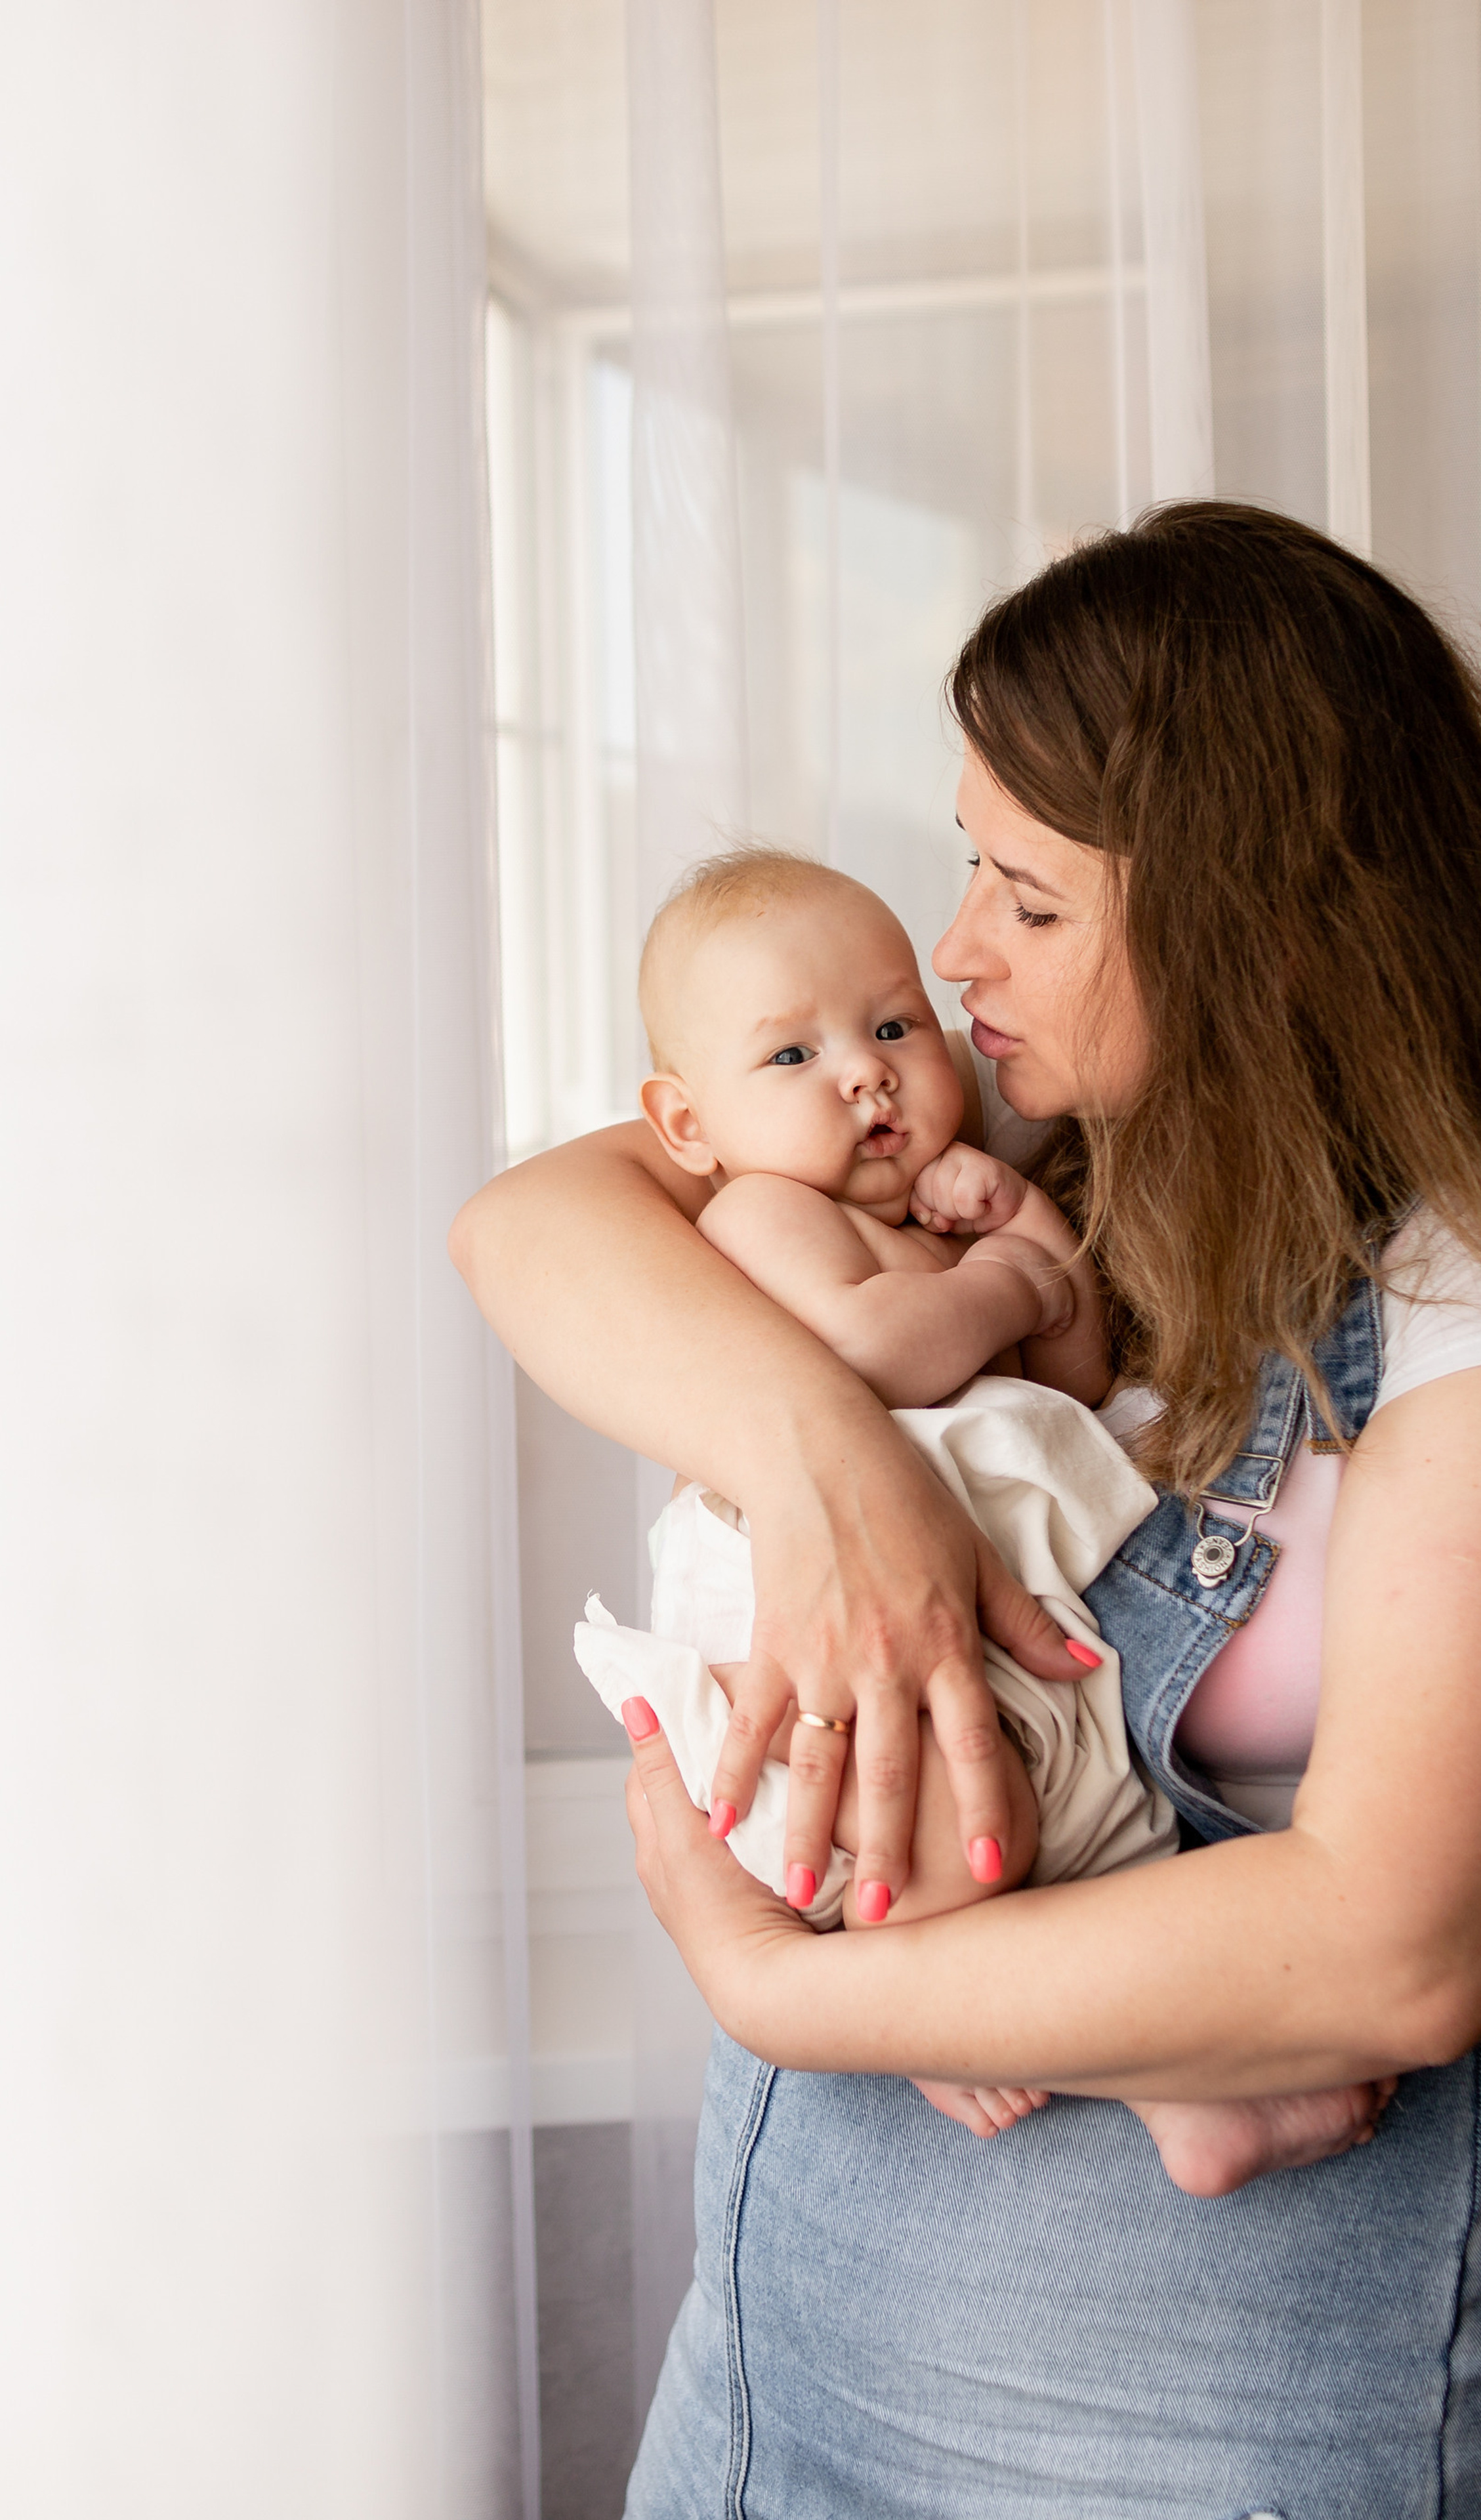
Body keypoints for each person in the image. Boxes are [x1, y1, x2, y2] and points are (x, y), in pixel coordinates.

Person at [452, 503, 1481, 2515]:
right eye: (968, 864)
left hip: (1166, 2429)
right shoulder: (1013, 1150)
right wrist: (828, 1462)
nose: (950, 955)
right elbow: (531, 1223)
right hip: (771, 2354)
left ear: (1261, 921)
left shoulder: (1445, 1276)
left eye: (1029, 896)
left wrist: (786, 1991)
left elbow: (1389, 1948)